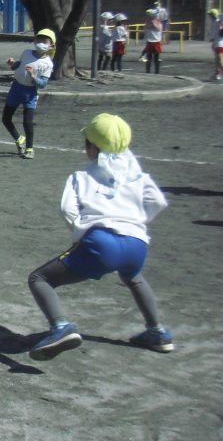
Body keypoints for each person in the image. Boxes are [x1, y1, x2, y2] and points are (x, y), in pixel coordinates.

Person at [26, 113, 172, 361]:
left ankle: (60, 327)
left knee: (39, 278)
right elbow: (158, 202)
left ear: (93, 148)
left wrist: (80, 234)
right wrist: (135, 223)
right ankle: (157, 332)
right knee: (133, 276)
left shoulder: (80, 177)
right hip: (137, 244)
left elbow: (67, 210)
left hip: (101, 243)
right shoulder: (139, 177)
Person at [1, 28, 56, 160]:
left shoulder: (48, 64)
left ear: (51, 45)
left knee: (28, 122)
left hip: (30, 93)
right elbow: (18, 66)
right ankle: (19, 138)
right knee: (6, 118)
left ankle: (30, 149)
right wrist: (12, 64)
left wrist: (33, 76)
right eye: (39, 40)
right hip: (16, 88)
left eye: (45, 41)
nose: (40, 43)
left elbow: (42, 84)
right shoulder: (26, 53)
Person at [141, 8, 163, 74]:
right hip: (151, 42)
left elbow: (158, 28)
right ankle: (149, 72)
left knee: (155, 59)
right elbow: (146, 28)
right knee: (150, 58)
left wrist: (152, 22)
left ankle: (156, 72)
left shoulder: (157, 23)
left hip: (155, 42)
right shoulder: (150, 23)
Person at [209, 8, 223, 81]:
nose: (209, 17)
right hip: (216, 43)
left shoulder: (219, 21)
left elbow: (222, 29)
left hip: (220, 43)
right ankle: (217, 74)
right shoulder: (214, 22)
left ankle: (219, 73)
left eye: (210, 15)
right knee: (217, 60)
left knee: (220, 60)